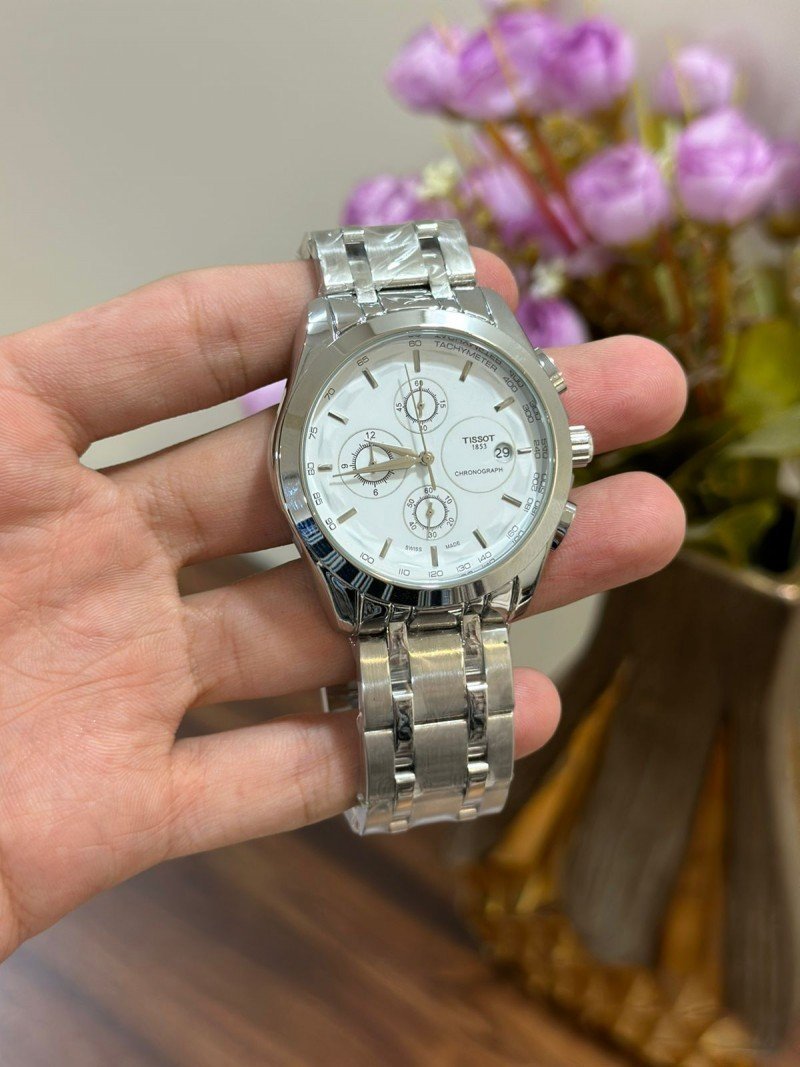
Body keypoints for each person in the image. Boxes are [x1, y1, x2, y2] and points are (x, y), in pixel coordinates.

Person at [0, 249, 686, 961]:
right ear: (290, 475)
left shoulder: (495, 370)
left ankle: (426, 781)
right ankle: (419, 780)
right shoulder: (321, 409)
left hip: (485, 569)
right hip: (389, 574)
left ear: (563, 445)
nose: (426, 458)